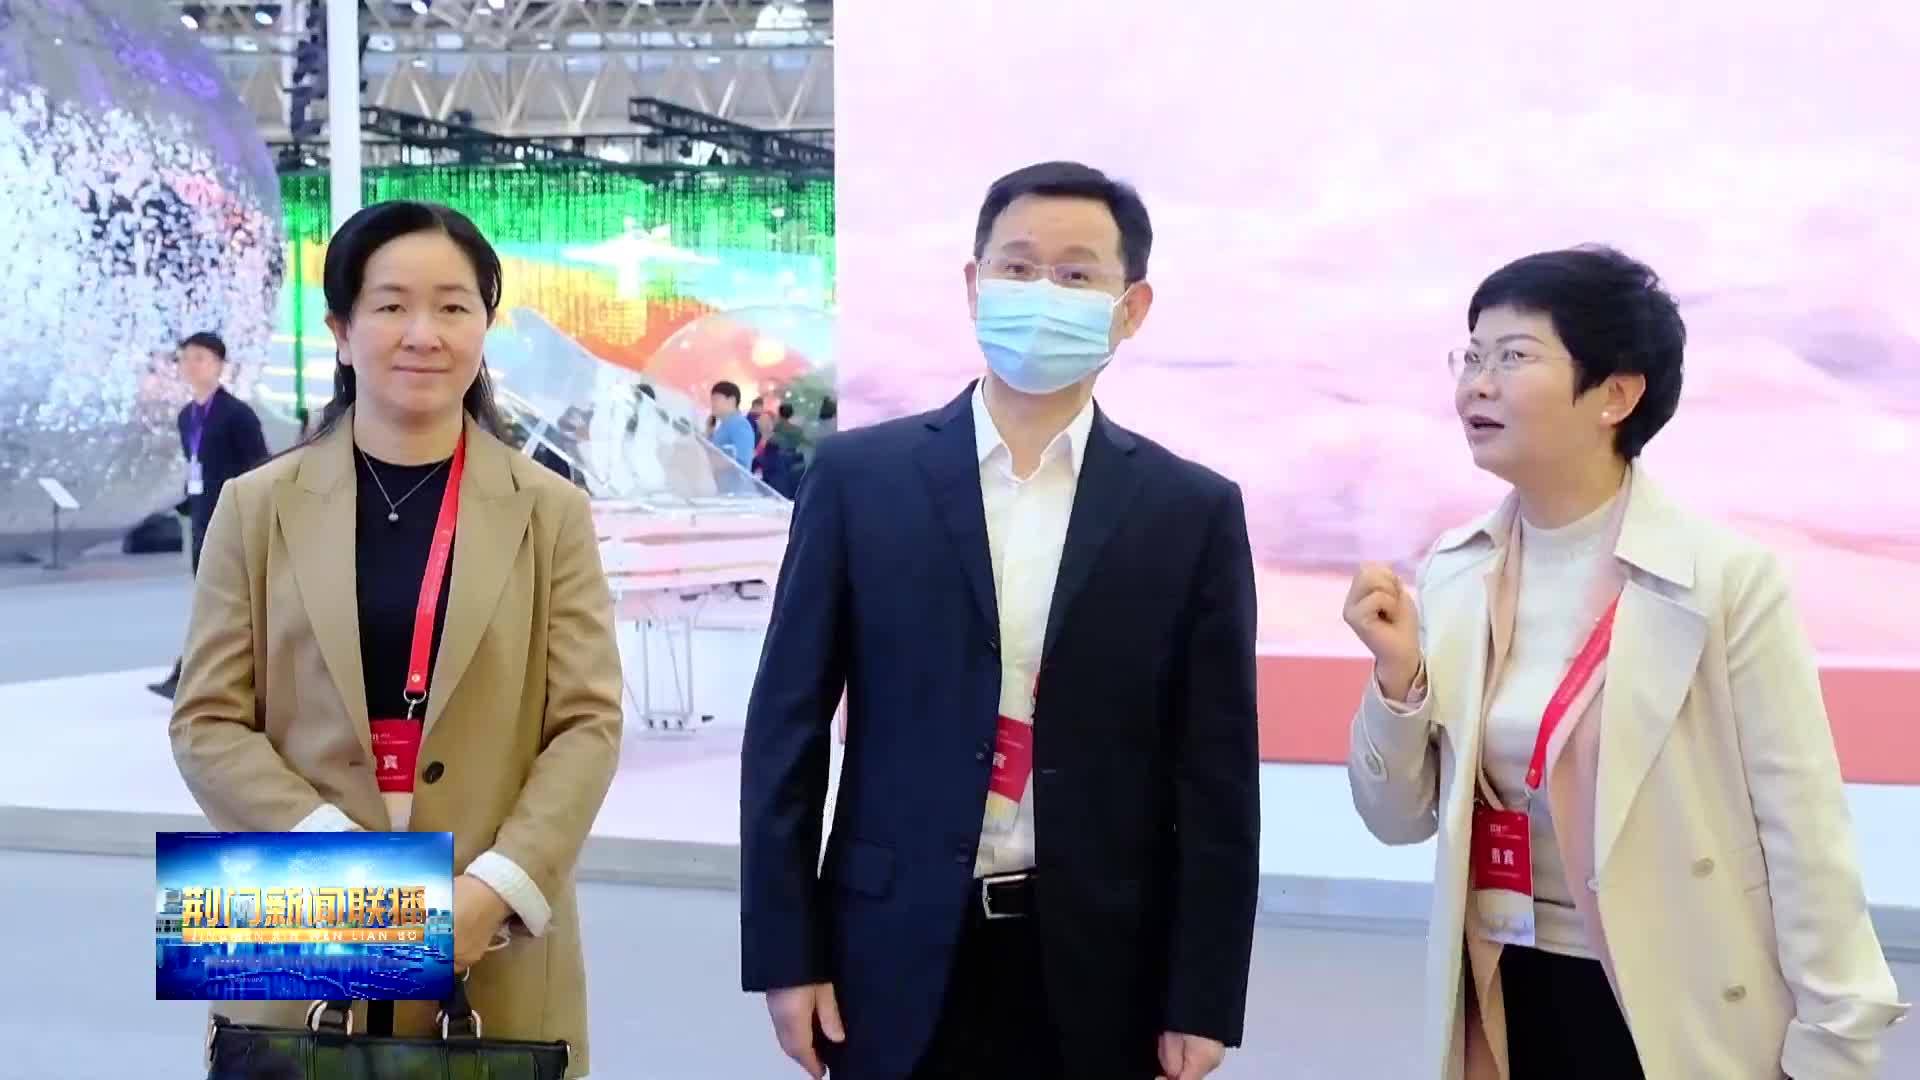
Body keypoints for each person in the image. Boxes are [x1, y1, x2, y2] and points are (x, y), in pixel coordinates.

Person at [741, 161, 1260, 1080]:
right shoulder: (862, 481)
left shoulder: (1190, 510)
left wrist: (1204, 993)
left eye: (1076, 274)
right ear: (975, 285)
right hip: (886, 952)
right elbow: (787, 727)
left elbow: (1216, 774)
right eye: (1018, 267)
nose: (1042, 292)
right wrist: (787, 951)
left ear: (1131, 308)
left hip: (1102, 967)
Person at [1343, 246, 1910, 1079]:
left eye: (1513, 356)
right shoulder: (1456, 571)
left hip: (1674, 997)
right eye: (1471, 356)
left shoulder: (1722, 579)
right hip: (1506, 981)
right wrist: (1399, 682)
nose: (1476, 386)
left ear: (1616, 393)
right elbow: (1398, 820)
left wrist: (1836, 1043)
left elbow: (1803, 830)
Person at [168, 200, 624, 1079]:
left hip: (488, 925)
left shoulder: (551, 511)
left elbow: (588, 724)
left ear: (483, 328)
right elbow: (206, 723)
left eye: (453, 306)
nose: (424, 332)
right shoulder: (255, 507)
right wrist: (356, 871)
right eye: (391, 305)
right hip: (293, 900)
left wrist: (495, 887)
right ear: (342, 332)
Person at [149, 331, 268, 700]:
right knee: (209, 599)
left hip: (234, 521)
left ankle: (191, 674)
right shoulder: (187, 417)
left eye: (200, 358)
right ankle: (201, 674)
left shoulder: (237, 415)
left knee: (227, 601)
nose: (191, 365)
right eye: (185, 358)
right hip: (202, 518)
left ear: (219, 365)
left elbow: (259, 468)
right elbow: (196, 467)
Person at [710, 380, 757, 471]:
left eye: (716, 399)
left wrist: (712, 462)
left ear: (731, 400)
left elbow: (741, 463)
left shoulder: (740, 424)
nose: (712, 403)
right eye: (712, 400)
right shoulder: (723, 426)